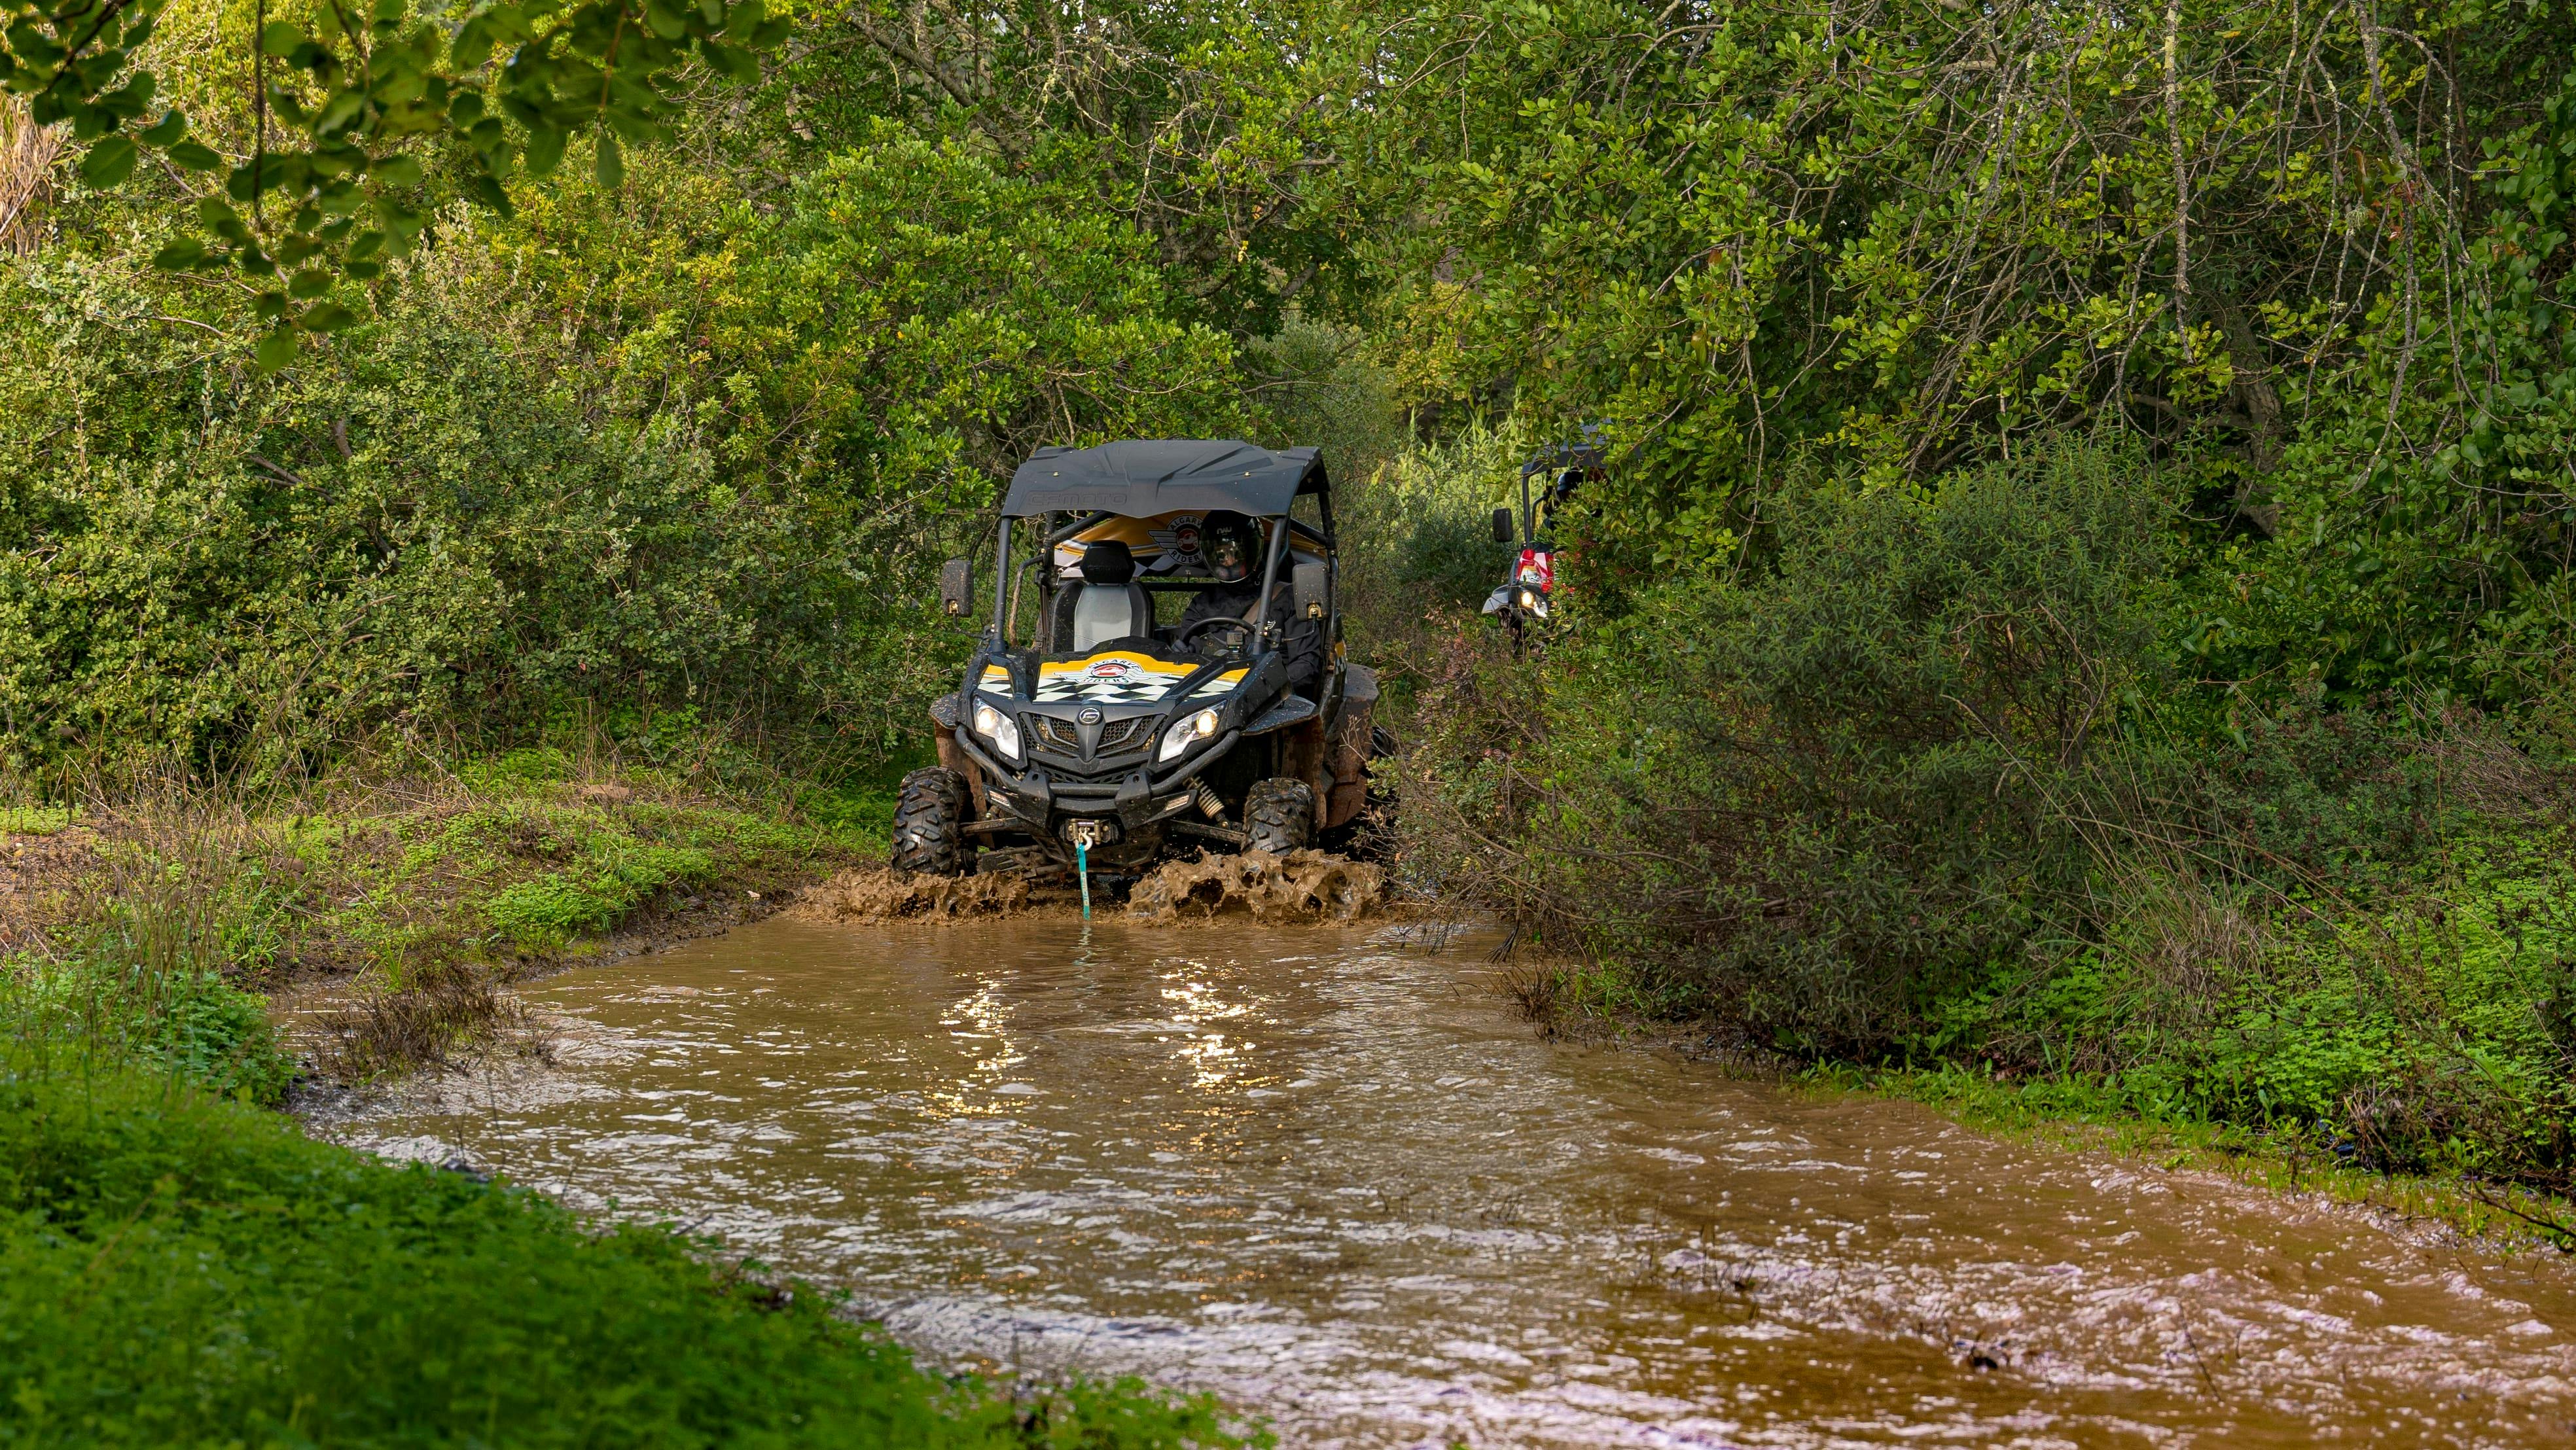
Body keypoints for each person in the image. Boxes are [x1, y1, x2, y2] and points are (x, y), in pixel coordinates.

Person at [1172, 511, 1322, 691]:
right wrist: (1180, 656)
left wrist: (1261, 691)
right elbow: (1187, 659)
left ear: (1252, 550)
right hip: (1209, 701)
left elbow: (1307, 666)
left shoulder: (1286, 598)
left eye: (1236, 552)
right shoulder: (1201, 604)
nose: (1228, 561)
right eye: (1220, 554)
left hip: (1269, 699)